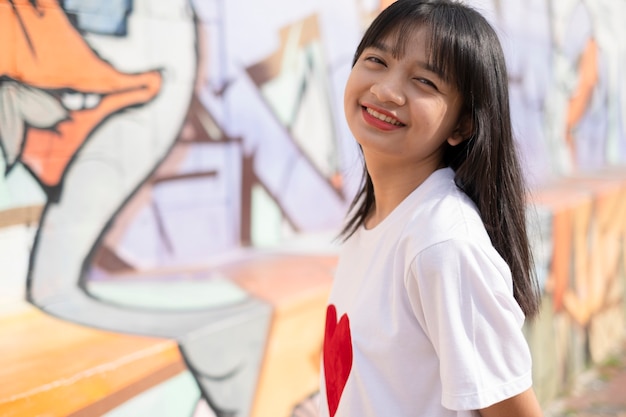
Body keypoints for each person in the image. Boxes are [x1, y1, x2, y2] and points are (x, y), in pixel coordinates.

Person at [319, 1, 544, 416]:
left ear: (462, 125)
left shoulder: (441, 244)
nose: (386, 90)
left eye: (425, 81)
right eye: (376, 60)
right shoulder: (377, 221)